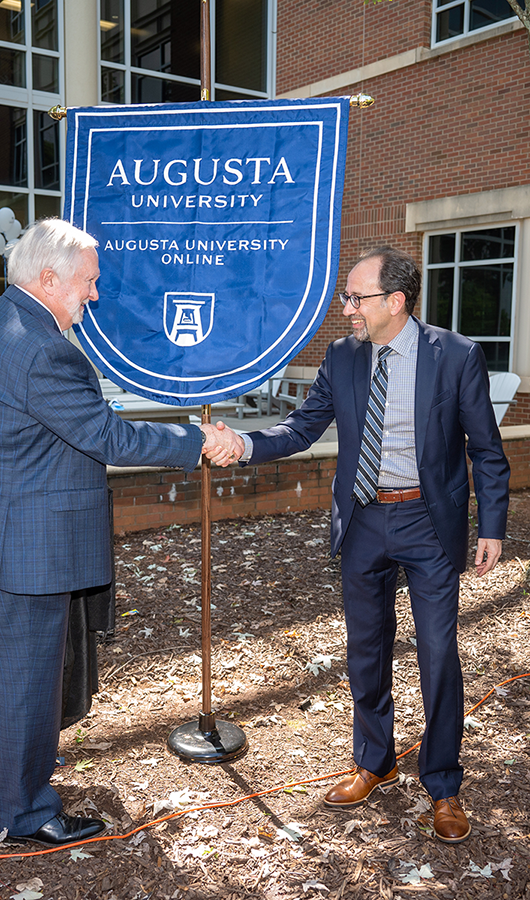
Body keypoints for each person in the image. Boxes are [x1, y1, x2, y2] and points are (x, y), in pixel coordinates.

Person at [0, 218, 240, 847]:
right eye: (88, 282)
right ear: (49, 279)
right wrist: (196, 439)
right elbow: (108, 435)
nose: (94, 294)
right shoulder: (43, 347)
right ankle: (27, 812)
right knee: (27, 684)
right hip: (24, 548)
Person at [218, 246, 509, 843]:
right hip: (364, 524)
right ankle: (375, 760)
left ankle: (445, 786)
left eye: (357, 297)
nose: (346, 308)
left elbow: (486, 449)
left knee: (437, 655)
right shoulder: (344, 358)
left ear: (395, 301)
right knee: (366, 651)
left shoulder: (455, 356)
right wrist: (244, 445)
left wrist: (492, 527)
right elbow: (301, 428)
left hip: (429, 526)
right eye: (347, 297)